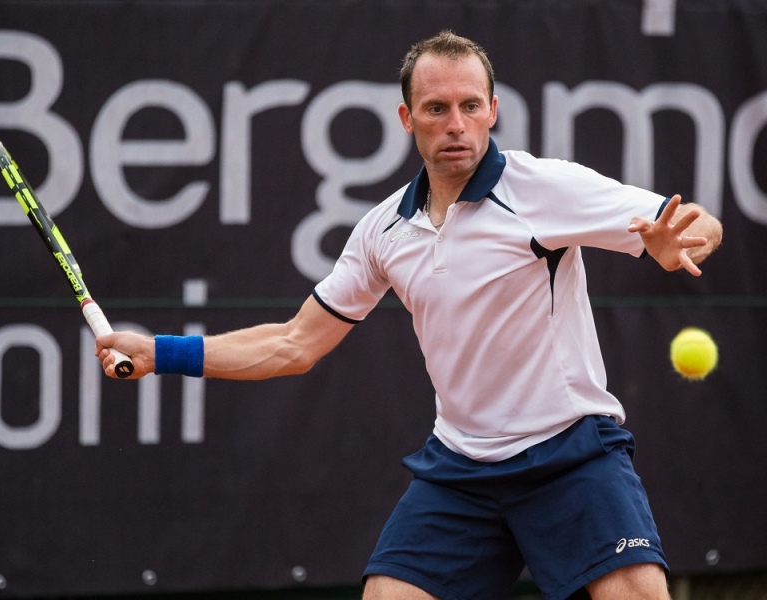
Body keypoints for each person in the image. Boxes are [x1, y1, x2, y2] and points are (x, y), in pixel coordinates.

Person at [96, 30, 723, 600]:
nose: (457, 124)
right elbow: (294, 344)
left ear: (492, 111)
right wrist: (159, 354)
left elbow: (700, 222)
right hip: (462, 471)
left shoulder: (543, 188)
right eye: (437, 108)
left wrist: (682, 241)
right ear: (408, 119)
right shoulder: (383, 231)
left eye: (471, 106)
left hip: (571, 454)